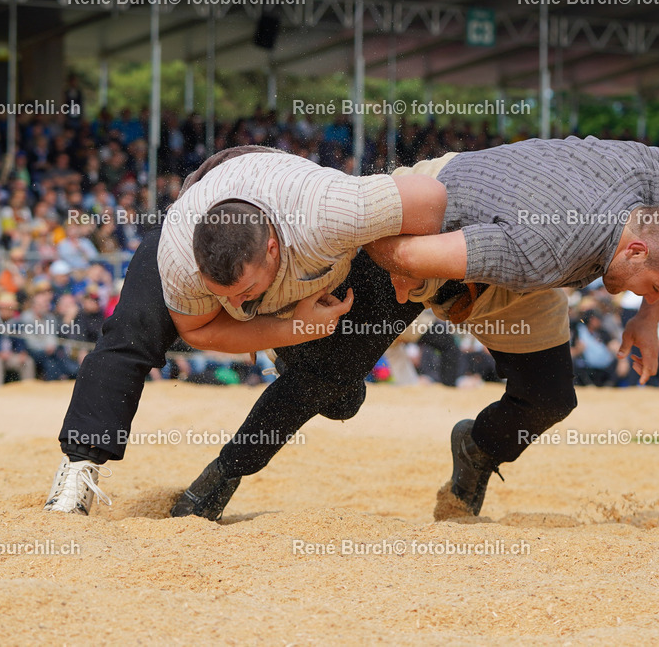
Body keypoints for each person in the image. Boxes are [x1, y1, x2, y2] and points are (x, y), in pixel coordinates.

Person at [176, 136, 659, 521]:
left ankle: (477, 450)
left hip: (516, 251)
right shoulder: (542, 247)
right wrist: (402, 276)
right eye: (657, 290)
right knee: (330, 376)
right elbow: (395, 250)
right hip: (432, 218)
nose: (653, 298)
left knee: (549, 398)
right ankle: (221, 477)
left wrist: (648, 318)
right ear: (636, 248)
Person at [43, 145, 448, 515]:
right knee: (129, 336)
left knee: (340, 393)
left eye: (245, 293)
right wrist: (289, 329)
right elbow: (199, 332)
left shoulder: (334, 211)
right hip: (219, 233)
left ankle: (234, 460)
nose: (236, 306)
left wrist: (402, 266)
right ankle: (79, 466)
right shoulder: (180, 259)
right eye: (225, 297)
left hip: (320, 257)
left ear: (273, 249)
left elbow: (430, 199)